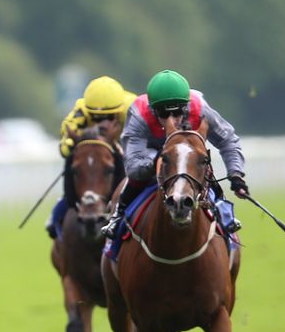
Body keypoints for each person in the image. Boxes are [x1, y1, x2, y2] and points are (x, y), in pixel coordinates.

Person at [102, 69, 248, 238]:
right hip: (153, 155)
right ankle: (118, 215)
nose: (172, 120)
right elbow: (133, 166)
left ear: (186, 106)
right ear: (153, 110)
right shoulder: (139, 113)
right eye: (164, 114)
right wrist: (160, 159)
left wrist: (235, 174)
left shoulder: (200, 107)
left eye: (178, 112)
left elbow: (227, 139)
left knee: (203, 169)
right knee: (135, 180)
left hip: (188, 156)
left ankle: (224, 213)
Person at [46, 76, 134, 238]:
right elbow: (64, 147)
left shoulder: (133, 108)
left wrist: (116, 144)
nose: (102, 123)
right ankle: (61, 210)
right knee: (73, 161)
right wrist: (76, 144)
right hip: (94, 150)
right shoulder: (81, 109)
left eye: (109, 117)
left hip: (127, 149)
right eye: (96, 118)